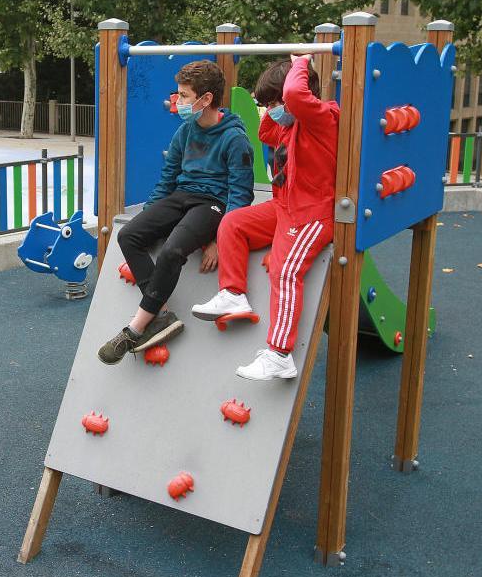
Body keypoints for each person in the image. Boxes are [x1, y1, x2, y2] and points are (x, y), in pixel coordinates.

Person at [98, 60, 254, 364]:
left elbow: (240, 194)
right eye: (178, 95)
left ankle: (136, 327)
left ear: (205, 99)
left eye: (183, 96)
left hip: (213, 203)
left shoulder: (234, 138)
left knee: (172, 251)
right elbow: (167, 179)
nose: (178, 102)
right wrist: (148, 215)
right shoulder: (185, 131)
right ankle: (162, 314)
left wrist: (221, 240)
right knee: (129, 235)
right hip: (183, 195)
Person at [192, 56, 338, 381]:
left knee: (285, 273)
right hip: (285, 207)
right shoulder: (289, 125)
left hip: (311, 214)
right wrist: (275, 103)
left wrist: (300, 64)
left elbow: (299, 98)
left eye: (276, 101)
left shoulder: (322, 118)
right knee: (232, 223)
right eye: (268, 103)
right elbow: (266, 132)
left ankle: (279, 354)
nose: (272, 109)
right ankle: (233, 294)